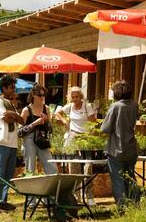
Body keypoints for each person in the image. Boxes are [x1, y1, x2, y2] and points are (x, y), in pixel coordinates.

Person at [0, 75, 24, 214]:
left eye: (14, 87)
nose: (13, 90)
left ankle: (2, 201)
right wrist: (14, 115)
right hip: (2, 142)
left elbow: (21, 120)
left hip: (12, 144)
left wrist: (13, 115)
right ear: (4, 88)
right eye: (11, 87)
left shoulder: (10, 103)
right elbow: (7, 118)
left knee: (8, 174)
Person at [100, 80, 139, 211]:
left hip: (116, 148)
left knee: (118, 180)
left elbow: (105, 128)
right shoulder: (134, 105)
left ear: (117, 93)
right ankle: (135, 205)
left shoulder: (116, 106)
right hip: (131, 148)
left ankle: (122, 209)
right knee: (130, 177)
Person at [54, 86, 96, 205]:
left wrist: (90, 139)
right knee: (73, 166)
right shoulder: (69, 107)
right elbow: (57, 113)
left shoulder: (87, 107)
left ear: (81, 96)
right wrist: (64, 121)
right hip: (72, 136)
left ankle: (90, 196)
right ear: (70, 98)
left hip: (85, 137)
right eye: (73, 97)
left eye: (77, 96)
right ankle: (75, 194)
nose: (75, 99)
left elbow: (93, 123)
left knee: (88, 166)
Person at [21, 83, 57, 176]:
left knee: (51, 166)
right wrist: (35, 123)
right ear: (33, 95)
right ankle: (30, 188)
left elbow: (50, 128)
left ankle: (52, 186)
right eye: (40, 95)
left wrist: (46, 120)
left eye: (43, 95)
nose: (42, 97)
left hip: (42, 138)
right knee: (30, 167)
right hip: (29, 138)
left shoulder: (46, 108)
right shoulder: (26, 110)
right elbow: (20, 130)